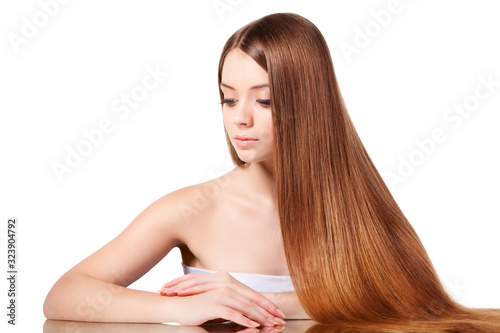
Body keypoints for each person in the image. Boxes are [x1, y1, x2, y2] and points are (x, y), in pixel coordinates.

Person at [44, 13, 500, 331]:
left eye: (264, 100)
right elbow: (63, 295)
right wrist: (185, 309)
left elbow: (416, 305)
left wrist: (260, 304)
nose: (240, 117)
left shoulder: (357, 205)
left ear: (309, 104)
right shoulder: (190, 208)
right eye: (228, 98)